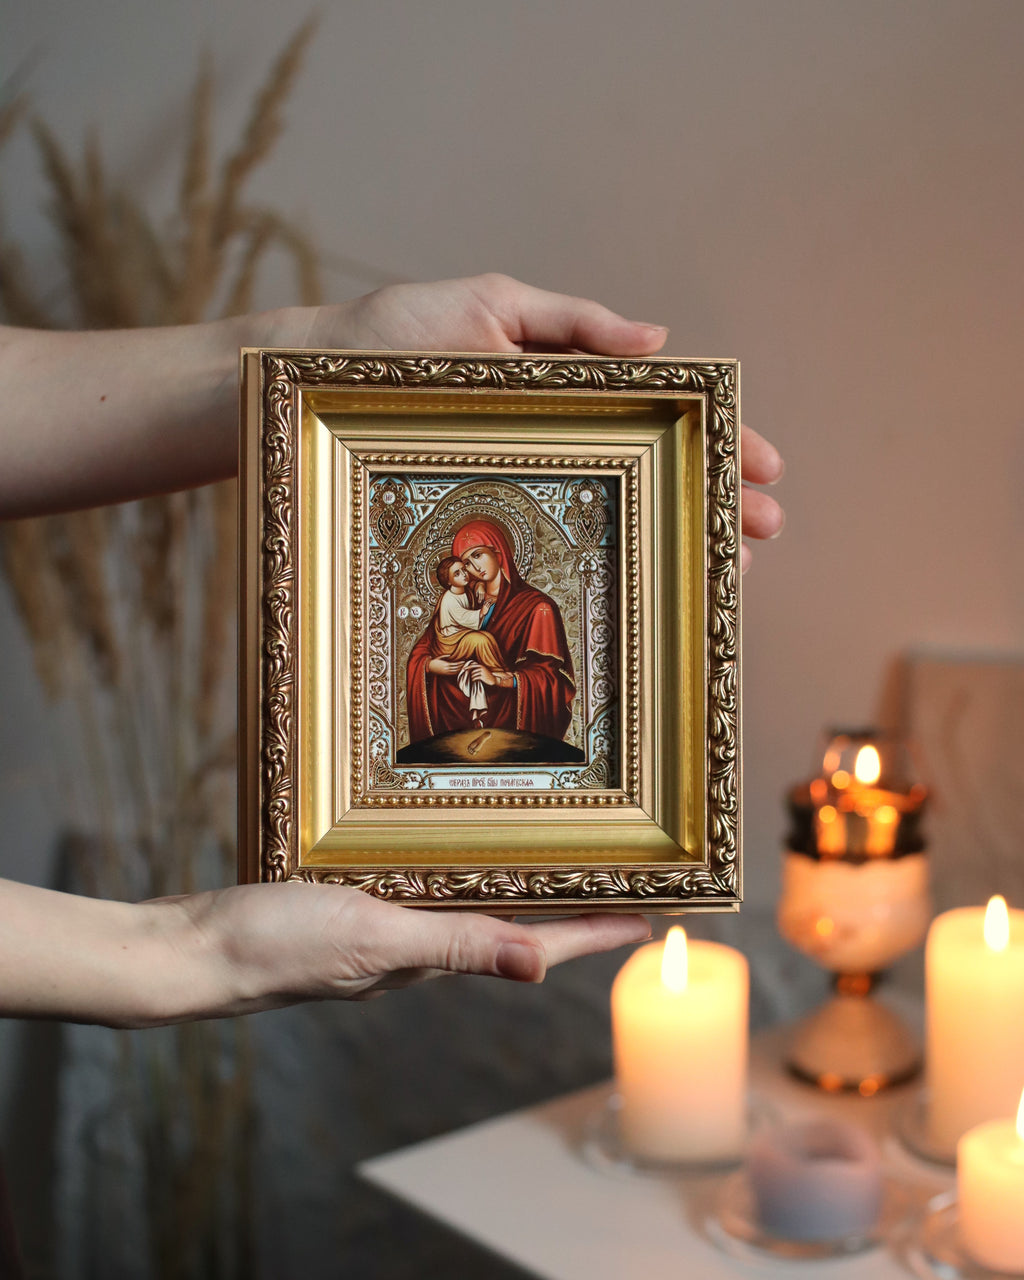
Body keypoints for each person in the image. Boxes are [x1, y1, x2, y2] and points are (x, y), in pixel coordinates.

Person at [0, 273, 784, 1027]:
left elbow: (560, 690)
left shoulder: (540, 606)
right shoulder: (446, 609)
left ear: (505, 563)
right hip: (452, 742)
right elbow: (417, 672)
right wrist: (201, 953)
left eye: (481, 562)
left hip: (524, 741)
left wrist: (316, 349)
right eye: (460, 561)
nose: (468, 572)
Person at [408, 518, 575, 747]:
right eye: (466, 563)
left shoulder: (537, 607)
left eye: (478, 555)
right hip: (456, 718)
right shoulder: (463, 600)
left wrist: (498, 679)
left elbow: (550, 680)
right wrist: (429, 665)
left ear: (498, 551)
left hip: (508, 716)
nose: (473, 568)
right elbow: (425, 648)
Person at [429, 555, 509, 723]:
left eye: (464, 570)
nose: (464, 575)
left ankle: (497, 671)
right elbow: (464, 617)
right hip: (449, 643)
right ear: (449, 581)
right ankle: (498, 672)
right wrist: (482, 612)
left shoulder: (463, 589)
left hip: (459, 636)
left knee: (485, 637)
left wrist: (479, 584)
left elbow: (473, 585)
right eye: (457, 574)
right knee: (480, 640)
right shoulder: (449, 599)